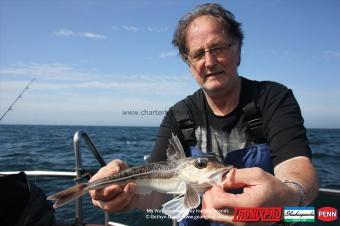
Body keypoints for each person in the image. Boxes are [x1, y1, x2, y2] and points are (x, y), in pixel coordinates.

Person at [89, 3, 319, 225]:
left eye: (218, 48)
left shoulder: (273, 97)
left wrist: (290, 196)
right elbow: (158, 193)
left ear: (238, 51)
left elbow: (297, 166)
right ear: (189, 65)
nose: (209, 62)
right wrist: (128, 196)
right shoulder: (178, 115)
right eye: (198, 54)